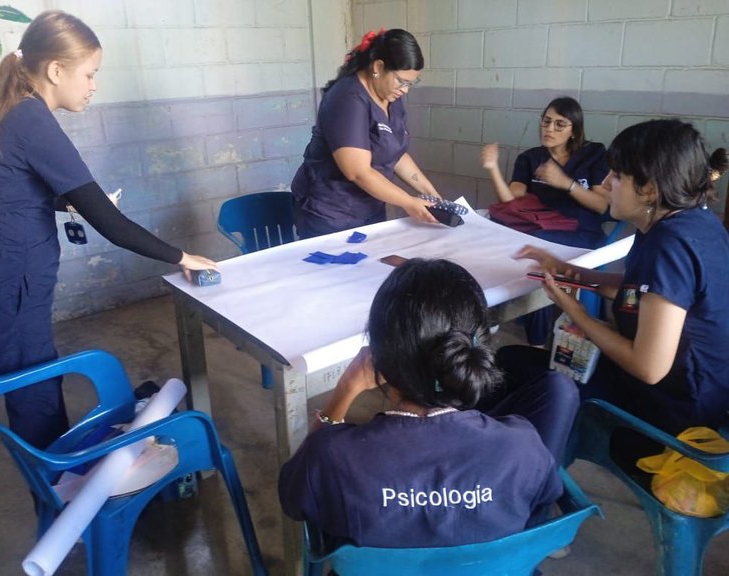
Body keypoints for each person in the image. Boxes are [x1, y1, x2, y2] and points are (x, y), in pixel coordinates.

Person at [0, 10, 218, 450]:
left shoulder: (7, 108)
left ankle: (54, 469)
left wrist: (70, 201)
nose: (93, 85)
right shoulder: (31, 119)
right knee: (34, 391)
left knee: (26, 378)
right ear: (56, 69)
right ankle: (58, 487)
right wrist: (182, 257)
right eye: (89, 74)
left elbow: (9, 190)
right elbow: (111, 226)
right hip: (9, 287)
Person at [278, 259, 579, 548]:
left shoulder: (332, 456)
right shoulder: (523, 447)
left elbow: (294, 501)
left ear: (377, 359)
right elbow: (539, 504)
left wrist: (343, 391)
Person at [499, 119, 729, 464]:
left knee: (513, 369)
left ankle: (535, 478)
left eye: (617, 176)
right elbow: (646, 295)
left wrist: (573, 311)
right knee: (522, 363)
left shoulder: (670, 245)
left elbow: (648, 366)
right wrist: (572, 272)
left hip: (672, 418)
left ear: (650, 189)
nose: (606, 183)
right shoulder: (690, 222)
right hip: (702, 392)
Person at [481, 96, 610, 346]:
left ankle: (536, 342)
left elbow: (603, 205)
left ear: (574, 131)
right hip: (539, 230)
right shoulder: (530, 158)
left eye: (560, 124)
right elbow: (511, 200)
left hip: (581, 232)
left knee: (538, 264)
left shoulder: (593, 155)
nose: (549, 129)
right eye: (546, 121)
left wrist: (566, 184)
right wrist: (492, 168)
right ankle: (508, 320)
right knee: (526, 256)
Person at [291, 28, 442, 239]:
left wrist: (432, 194)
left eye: (411, 83)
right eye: (401, 81)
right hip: (331, 213)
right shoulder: (347, 98)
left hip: (369, 208)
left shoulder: (391, 97)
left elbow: (395, 154)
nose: (405, 89)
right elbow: (358, 171)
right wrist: (409, 202)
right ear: (378, 67)